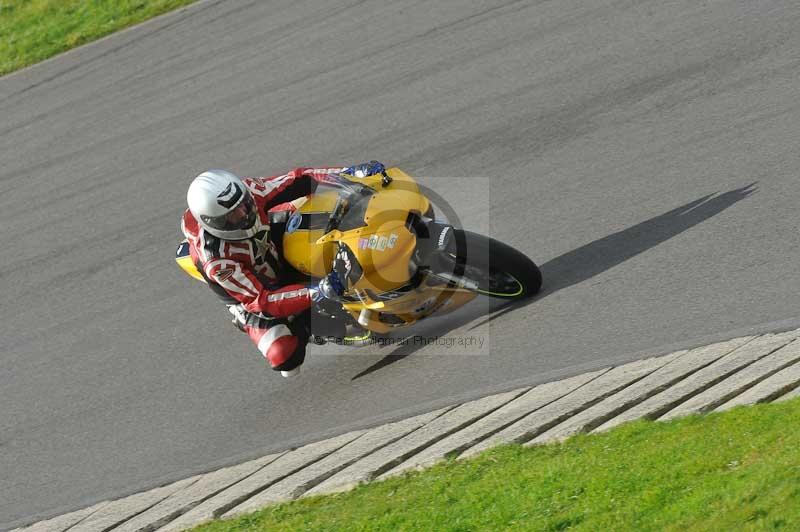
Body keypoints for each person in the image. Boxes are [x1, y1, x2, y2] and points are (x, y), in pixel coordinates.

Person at [181, 161, 385, 377]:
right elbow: (263, 301)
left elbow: (300, 179)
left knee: (317, 210)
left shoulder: (247, 192)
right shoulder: (217, 260)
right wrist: (322, 290)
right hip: (253, 295)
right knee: (285, 359)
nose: (244, 215)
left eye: (244, 205)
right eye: (233, 217)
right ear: (214, 223)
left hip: (268, 240)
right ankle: (317, 326)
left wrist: (348, 173)